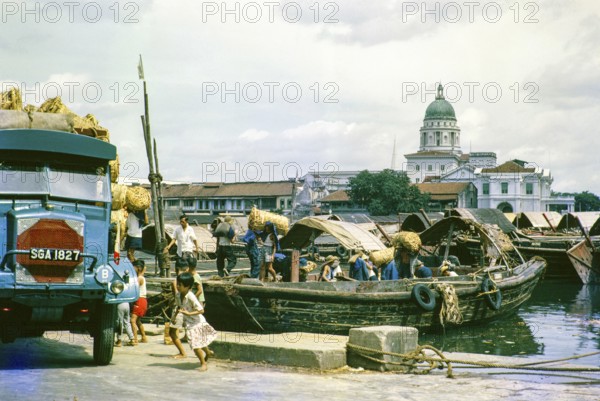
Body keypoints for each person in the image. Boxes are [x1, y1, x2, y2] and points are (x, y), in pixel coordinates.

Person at [173, 272, 218, 372]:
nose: (178, 286)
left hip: (197, 322)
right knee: (198, 342)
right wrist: (174, 317)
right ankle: (208, 353)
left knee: (195, 344)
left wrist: (189, 313)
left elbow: (201, 310)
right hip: (189, 323)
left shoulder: (191, 296)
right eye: (177, 284)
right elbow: (178, 307)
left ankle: (203, 363)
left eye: (180, 285)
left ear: (187, 286)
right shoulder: (178, 295)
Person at [131, 260, 148, 344]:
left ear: (138, 268)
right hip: (143, 300)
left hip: (140, 300)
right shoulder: (141, 277)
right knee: (138, 321)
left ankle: (135, 339)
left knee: (132, 320)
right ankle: (144, 337)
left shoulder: (139, 278)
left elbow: (133, 288)